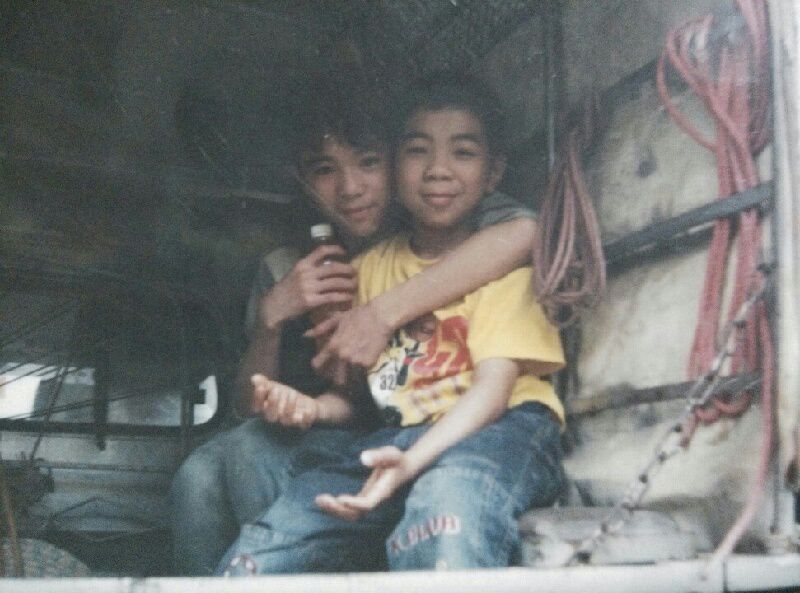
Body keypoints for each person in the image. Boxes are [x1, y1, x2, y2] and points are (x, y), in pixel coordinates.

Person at [169, 71, 540, 576]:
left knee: (249, 453)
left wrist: (378, 315)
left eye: (368, 162)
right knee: (200, 473)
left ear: (396, 161)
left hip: (412, 426)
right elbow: (247, 405)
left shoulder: (446, 224)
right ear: (303, 181)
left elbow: (525, 232)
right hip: (343, 423)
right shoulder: (287, 265)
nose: (349, 188)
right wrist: (271, 320)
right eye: (325, 170)